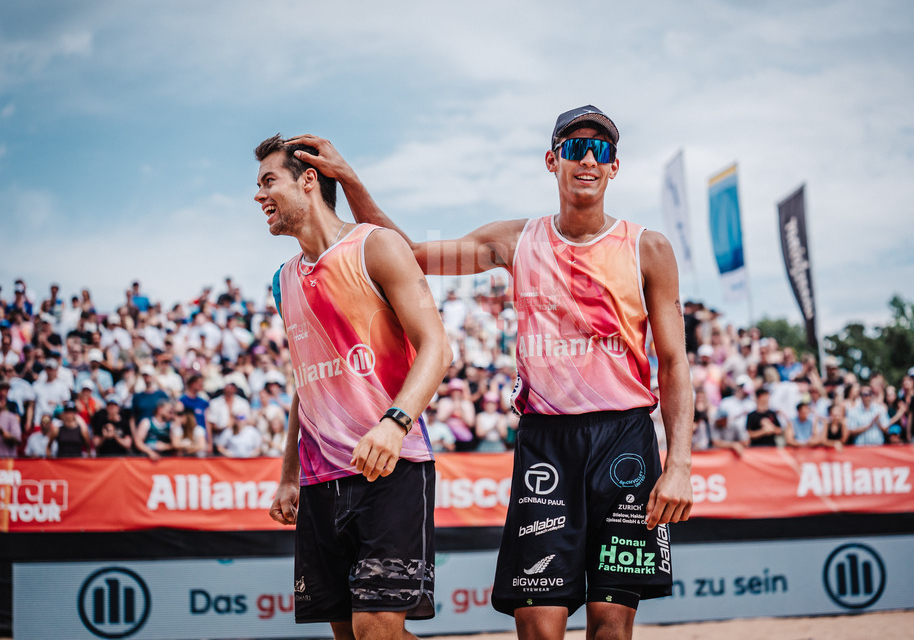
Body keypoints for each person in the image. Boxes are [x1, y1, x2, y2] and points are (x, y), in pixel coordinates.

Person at [286, 104, 695, 640]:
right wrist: (351, 179)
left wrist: (680, 463)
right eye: (575, 148)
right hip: (547, 442)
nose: (588, 159)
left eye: (602, 150)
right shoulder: (516, 239)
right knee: (537, 628)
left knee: (612, 627)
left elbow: (674, 363)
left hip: (626, 441)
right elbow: (406, 255)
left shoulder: (649, 249)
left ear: (615, 166)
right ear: (553, 160)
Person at [255, 134, 451, 640]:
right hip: (320, 480)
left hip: (391, 465)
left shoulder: (374, 246)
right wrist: (288, 474)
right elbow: (307, 380)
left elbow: (437, 347)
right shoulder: (282, 280)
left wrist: (394, 423)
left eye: (268, 181)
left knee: (376, 630)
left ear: (308, 179)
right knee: (348, 636)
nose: (258, 196)